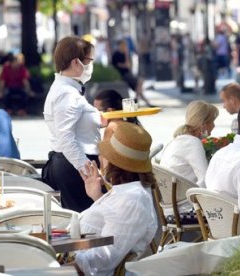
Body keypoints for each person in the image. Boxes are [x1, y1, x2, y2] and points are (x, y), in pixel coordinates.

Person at [73, 121, 157, 275]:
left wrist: (62, 262)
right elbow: (112, 223)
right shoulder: (127, 193)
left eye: (104, 155)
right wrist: (97, 197)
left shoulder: (133, 199)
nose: (99, 158)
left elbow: (106, 257)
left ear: (114, 164)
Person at [42, 36, 101, 212]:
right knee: (88, 225)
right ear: (76, 62)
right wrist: (86, 169)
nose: (91, 66)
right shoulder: (66, 94)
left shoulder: (68, 89)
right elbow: (66, 137)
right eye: (89, 61)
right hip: (74, 166)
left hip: (73, 164)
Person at [160, 100, 219, 188]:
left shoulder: (179, 140)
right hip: (183, 199)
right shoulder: (192, 143)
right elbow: (205, 180)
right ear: (203, 124)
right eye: (212, 121)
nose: (214, 126)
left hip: (170, 197)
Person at [111, 39, 154, 107]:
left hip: (128, 74)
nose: (125, 46)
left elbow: (128, 65)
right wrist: (124, 63)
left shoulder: (125, 53)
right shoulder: (116, 54)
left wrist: (126, 54)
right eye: (123, 45)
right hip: (122, 75)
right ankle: (140, 101)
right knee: (139, 85)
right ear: (119, 46)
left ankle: (139, 101)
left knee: (139, 86)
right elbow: (121, 65)